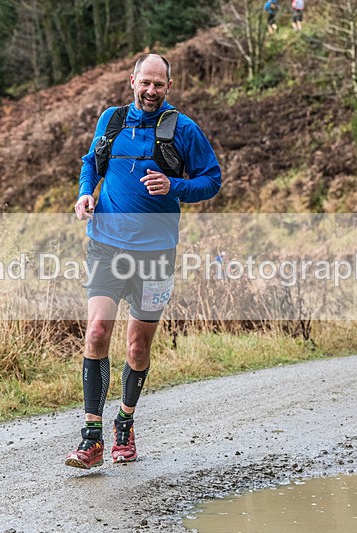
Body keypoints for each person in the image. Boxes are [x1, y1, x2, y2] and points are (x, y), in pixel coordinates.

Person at [67, 54, 221, 469]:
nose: (151, 91)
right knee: (97, 330)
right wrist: (85, 193)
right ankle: (91, 437)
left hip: (155, 255)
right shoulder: (112, 120)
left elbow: (212, 180)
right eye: (145, 82)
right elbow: (91, 163)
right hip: (106, 246)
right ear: (132, 81)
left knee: (137, 347)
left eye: (159, 84)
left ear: (169, 86)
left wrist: (174, 186)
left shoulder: (183, 129)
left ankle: (125, 422)